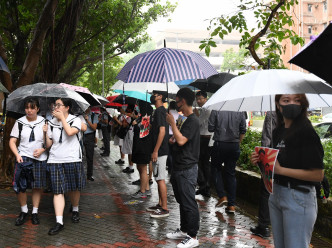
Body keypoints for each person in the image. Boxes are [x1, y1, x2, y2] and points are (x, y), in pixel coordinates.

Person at [251, 94, 324, 248]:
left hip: (298, 197)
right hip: (276, 194)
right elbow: (276, 165)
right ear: (278, 105)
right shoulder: (278, 132)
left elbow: (318, 174)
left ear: (303, 104)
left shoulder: (307, 132)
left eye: (297, 100)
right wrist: (261, 161)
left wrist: (281, 170)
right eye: (286, 100)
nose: (292, 104)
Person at [44, 98, 86, 235]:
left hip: (72, 158)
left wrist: (62, 119)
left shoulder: (76, 120)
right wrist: (45, 132)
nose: (55, 107)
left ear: (67, 107)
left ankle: (75, 209)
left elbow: (69, 132)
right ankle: (59, 221)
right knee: (57, 191)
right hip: (55, 159)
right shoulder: (51, 122)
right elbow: (49, 144)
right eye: (54, 105)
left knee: (74, 188)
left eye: (58, 105)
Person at [166, 88, 200, 248]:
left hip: (187, 167)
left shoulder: (193, 120)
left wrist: (172, 124)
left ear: (183, 101)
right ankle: (184, 229)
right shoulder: (185, 119)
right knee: (181, 200)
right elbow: (177, 139)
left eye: (177, 101)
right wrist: (174, 135)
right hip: (178, 166)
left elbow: (182, 141)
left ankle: (192, 235)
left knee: (188, 201)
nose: (176, 104)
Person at [9, 97, 47, 226]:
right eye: (27, 108)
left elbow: (49, 143)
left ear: (37, 108)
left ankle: (35, 212)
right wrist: (17, 154)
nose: (29, 110)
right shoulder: (19, 122)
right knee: (21, 186)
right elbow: (12, 141)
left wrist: (43, 149)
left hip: (39, 158)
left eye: (32, 108)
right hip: (23, 157)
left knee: (37, 186)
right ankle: (24, 211)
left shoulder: (45, 122)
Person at [208, 110, 246, 213]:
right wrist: (237, 143)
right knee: (231, 173)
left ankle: (222, 196)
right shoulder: (240, 110)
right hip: (234, 145)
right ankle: (231, 205)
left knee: (215, 169)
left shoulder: (217, 109)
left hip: (220, 144)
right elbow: (243, 130)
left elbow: (210, 128)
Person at [250, 111, 277, 238]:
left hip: (272, 161)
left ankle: (263, 226)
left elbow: (266, 140)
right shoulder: (299, 116)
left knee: (266, 192)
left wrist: (263, 160)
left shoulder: (272, 114)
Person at [148, 90, 169, 218]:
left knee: (160, 178)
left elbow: (162, 131)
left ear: (160, 96)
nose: (153, 96)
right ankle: (160, 204)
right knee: (157, 177)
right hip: (157, 150)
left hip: (160, 151)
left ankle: (164, 208)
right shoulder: (158, 111)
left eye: (154, 94)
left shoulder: (161, 111)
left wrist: (155, 150)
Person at [131, 102, 154, 198]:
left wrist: (135, 125)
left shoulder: (146, 119)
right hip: (139, 147)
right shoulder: (142, 118)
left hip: (143, 148)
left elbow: (142, 134)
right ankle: (147, 189)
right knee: (141, 168)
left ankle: (143, 190)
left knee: (143, 169)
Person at [194, 91, 212, 197]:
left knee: (204, 163)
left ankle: (205, 186)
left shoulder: (207, 109)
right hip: (203, 138)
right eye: (197, 99)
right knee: (202, 163)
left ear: (206, 98)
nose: (198, 101)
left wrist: (196, 115)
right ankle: (204, 187)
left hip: (206, 139)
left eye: (200, 98)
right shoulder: (204, 109)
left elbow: (198, 123)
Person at [83, 107, 98, 181]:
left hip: (89, 136)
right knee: (78, 156)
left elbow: (94, 128)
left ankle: (89, 175)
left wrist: (87, 120)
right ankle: (79, 175)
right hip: (80, 136)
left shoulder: (93, 115)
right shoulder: (80, 115)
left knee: (89, 156)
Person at [166, 101, 179, 173]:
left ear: (170, 106)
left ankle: (170, 168)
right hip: (175, 135)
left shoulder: (167, 114)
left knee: (169, 152)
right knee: (173, 152)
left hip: (168, 134)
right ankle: (173, 167)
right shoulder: (178, 114)